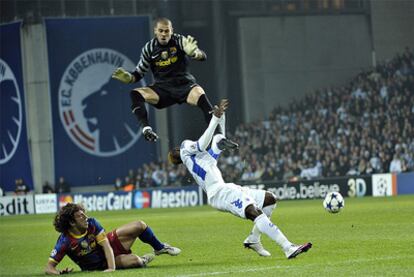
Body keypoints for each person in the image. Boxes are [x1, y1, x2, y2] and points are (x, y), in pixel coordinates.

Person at [168, 99, 312, 258]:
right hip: (219, 193)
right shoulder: (185, 150)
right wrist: (215, 119)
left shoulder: (204, 159)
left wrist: (221, 117)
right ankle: (288, 247)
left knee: (269, 199)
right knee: (254, 212)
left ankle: (253, 239)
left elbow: (219, 139)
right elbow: (203, 143)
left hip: (226, 188)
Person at [111, 17, 215, 142]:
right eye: (161, 31)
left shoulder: (180, 41)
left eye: (167, 31)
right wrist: (130, 77)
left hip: (184, 86)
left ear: (172, 30)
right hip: (162, 89)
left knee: (200, 94)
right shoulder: (149, 48)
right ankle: (146, 129)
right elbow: (139, 73)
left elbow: (203, 56)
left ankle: (218, 137)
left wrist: (194, 54)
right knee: (135, 93)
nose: (164, 34)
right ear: (155, 31)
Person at [45, 203, 181, 275]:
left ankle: (159, 247)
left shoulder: (91, 223)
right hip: (99, 266)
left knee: (139, 225)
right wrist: (58, 273)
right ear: (72, 223)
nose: (86, 217)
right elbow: (49, 268)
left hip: (108, 249)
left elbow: (106, 246)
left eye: (84, 214)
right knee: (136, 261)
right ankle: (143, 260)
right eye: (81, 216)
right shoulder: (65, 242)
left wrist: (112, 269)